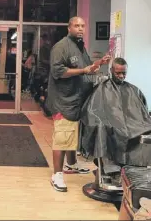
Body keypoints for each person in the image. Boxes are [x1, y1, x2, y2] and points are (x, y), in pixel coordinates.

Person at [46, 16, 110, 192]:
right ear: (69, 27)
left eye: (83, 26)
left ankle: (71, 164)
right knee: (62, 137)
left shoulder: (80, 47)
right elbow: (58, 72)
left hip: (76, 100)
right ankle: (57, 175)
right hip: (63, 101)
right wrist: (83, 70)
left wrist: (99, 64)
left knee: (72, 134)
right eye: (76, 26)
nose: (80, 29)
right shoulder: (61, 47)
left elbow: (88, 68)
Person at [80, 58, 151, 179]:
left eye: (124, 73)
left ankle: (142, 169)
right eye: (118, 73)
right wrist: (101, 120)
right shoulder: (101, 88)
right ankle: (112, 169)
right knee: (102, 128)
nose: (121, 76)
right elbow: (91, 110)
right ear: (111, 70)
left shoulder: (133, 90)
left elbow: (143, 110)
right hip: (111, 125)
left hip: (132, 125)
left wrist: (144, 122)